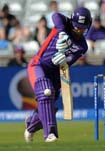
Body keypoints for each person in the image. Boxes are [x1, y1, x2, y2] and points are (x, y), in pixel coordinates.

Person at [24, 7, 92, 143]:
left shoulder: (82, 46)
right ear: (72, 22)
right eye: (78, 27)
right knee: (45, 93)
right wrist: (62, 33)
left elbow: (69, 61)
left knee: (48, 104)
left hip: (56, 73)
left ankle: (30, 126)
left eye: (83, 28)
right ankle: (50, 134)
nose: (80, 30)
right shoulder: (64, 24)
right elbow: (56, 15)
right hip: (38, 65)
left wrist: (63, 58)